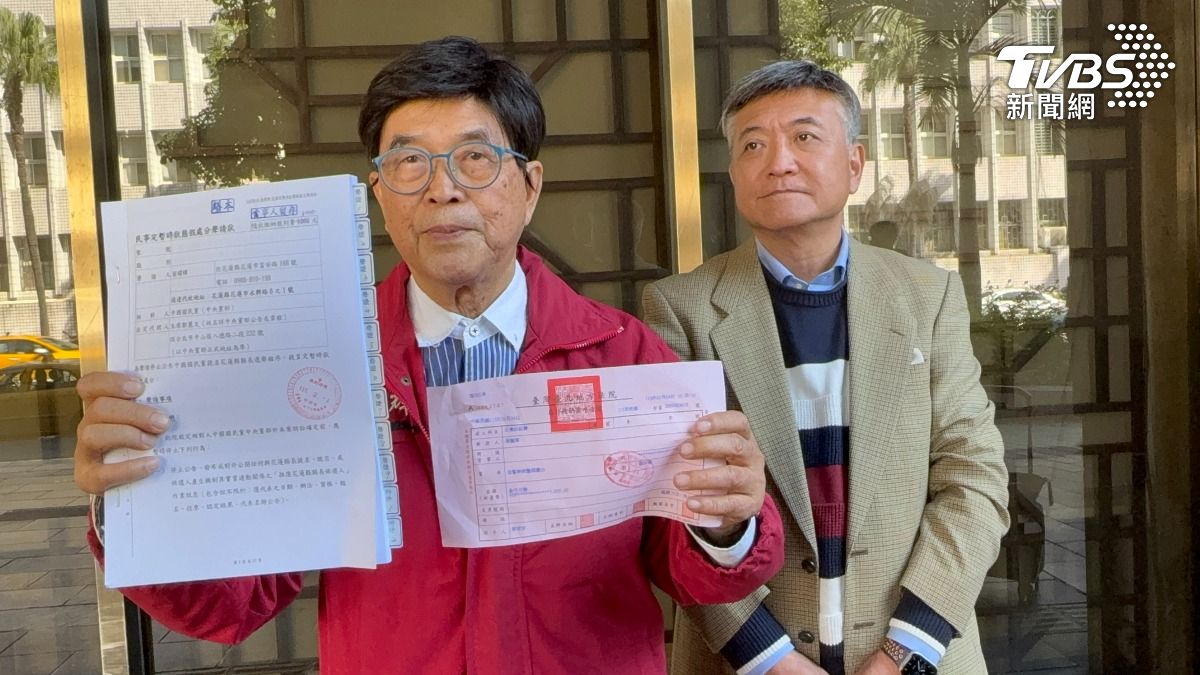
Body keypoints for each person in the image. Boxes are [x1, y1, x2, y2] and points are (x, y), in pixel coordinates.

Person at [73, 37, 785, 675]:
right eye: (409, 161)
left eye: (476, 158)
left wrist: (727, 522)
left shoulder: (626, 357)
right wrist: (132, 500)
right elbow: (230, 603)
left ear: (529, 186)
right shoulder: (316, 369)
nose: (442, 189)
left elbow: (698, 576)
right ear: (380, 193)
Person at [643, 60, 1009, 675]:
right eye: (753, 145)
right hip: (745, 660)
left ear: (855, 165)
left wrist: (902, 653)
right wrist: (770, 660)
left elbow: (973, 475)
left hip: (919, 654)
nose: (778, 162)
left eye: (805, 137)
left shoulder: (928, 297)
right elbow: (673, 512)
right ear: (734, 174)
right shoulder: (680, 309)